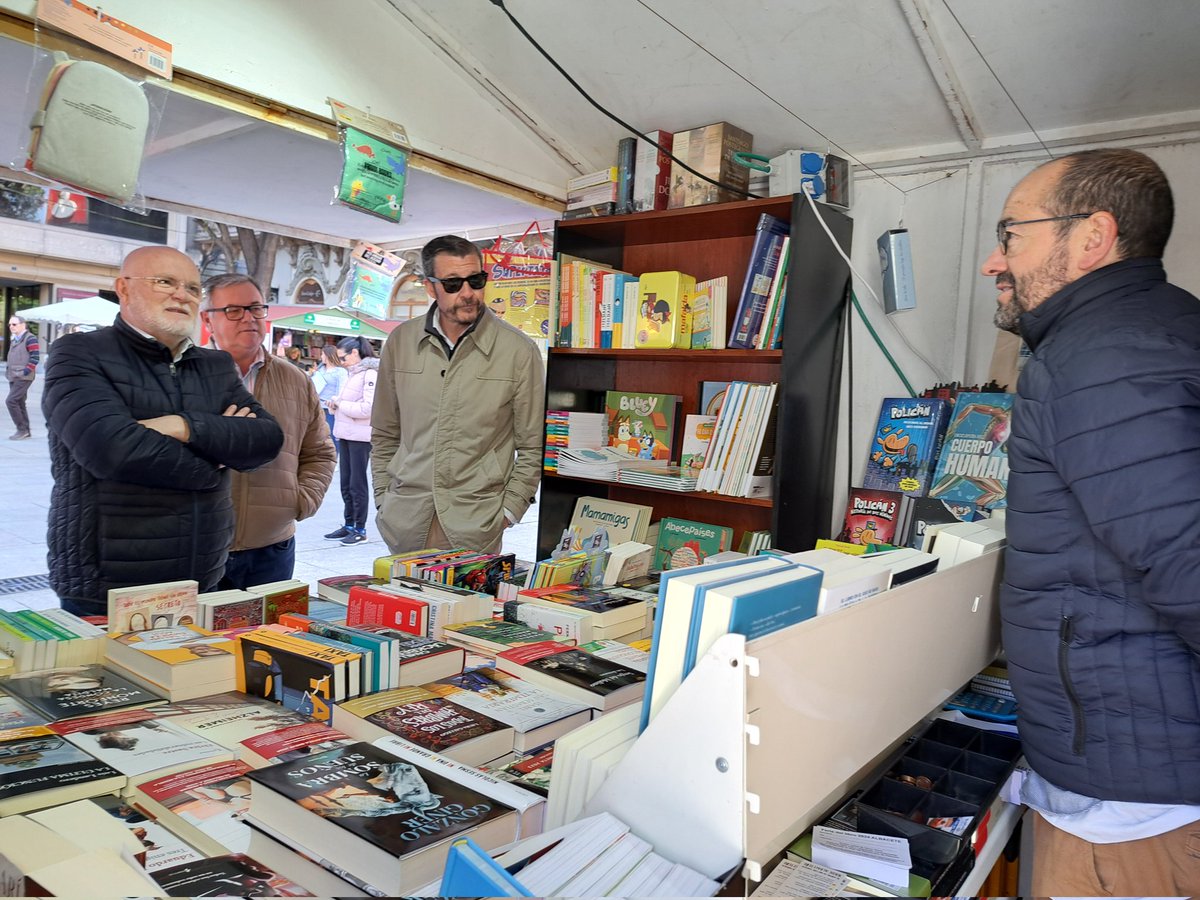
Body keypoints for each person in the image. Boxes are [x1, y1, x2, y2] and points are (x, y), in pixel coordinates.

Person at [980, 147, 1200, 896]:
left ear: (1091, 237)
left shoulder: (1100, 357)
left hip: (1131, 796)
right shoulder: (1157, 328)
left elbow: (1186, 561)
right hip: (1144, 760)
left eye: (1012, 234)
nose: (993, 261)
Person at [42, 247, 283, 618]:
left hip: (200, 580)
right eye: (164, 282)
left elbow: (267, 439)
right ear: (123, 288)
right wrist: (215, 462)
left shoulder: (215, 365)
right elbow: (111, 449)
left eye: (191, 287)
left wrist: (183, 426)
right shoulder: (78, 353)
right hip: (105, 586)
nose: (181, 294)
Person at [371, 234, 544, 554]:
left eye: (476, 280)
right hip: (405, 521)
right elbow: (384, 432)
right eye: (452, 284)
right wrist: (383, 498)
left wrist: (508, 512)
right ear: (429, 287)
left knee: (471, 607)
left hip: (476, 525)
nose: (467, 293)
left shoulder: (519, 351)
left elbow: (532, 446)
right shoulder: (400, 343)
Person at [200, 274, 335, 588]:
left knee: (267, 636)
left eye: (256, 308)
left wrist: (301, 500)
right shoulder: (184, 374)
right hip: (200, 547)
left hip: (273, 550)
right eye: (234, 310)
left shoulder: (295, 379)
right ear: (208, 319)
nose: (248, 318)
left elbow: (320, 452)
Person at [325, 335, 378, 545]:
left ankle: (360, 528)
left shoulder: (370, 374)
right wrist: (335, 404)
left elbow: (368, 408)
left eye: (343, 358)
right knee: (346, 482)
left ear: (355, 353)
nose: (341, 362)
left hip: (361, 437)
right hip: (346, 433)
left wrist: (340, 404)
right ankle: (348, 524)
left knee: (357, 483)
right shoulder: (353, 373)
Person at [5, 314, 39, 440]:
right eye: (9, 324)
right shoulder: (15, 338)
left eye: (14, 324)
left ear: (23, 325)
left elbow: (35, 357)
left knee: (11, 401)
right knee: (19, 402)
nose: (11, 326)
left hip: (23, 377)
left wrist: (25, 372)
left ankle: (21, 429)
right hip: (13, 375)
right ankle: (26, 431)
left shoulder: (30, 338)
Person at [310, 343, 347, 456]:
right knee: (317, 432)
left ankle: (333, 456)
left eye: (322, 354)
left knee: (330, 433)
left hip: (330, 407)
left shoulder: (340, 372)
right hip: (318, 405)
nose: (321, 356)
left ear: (328, 355)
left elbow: (341, 389)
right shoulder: (321, 369)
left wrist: (335, 402)